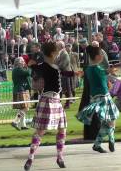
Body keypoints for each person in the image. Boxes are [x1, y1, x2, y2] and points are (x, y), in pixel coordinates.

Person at [24, 42, 67, 170]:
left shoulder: (41, 66)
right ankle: (59, 156)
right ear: (53, 53)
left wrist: (32, 65)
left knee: (41, 131)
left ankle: (31, 157)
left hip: (47, 99)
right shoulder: (53, 67)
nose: (59, 53)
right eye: (57, 51)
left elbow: (33, 69)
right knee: (60, 129)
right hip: (52, 100)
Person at [77, 46, 119, 153]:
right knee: (111, 121)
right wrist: (110, 71)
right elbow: (105, 73)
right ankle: (111, 139)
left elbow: (102, 79)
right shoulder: (97, 69)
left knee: (107, 122)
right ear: (97, 57)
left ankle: (98, 144)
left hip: (96, 98)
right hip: (103, 98)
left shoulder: (88, 69)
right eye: (101, 54)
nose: (102, 56)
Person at [11, 57, 31, 131]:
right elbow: (28, 73)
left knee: (22, 108)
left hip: (20, 89)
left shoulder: (17, 70)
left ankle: (22, 125)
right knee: (25, 108)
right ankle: (15, 121)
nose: (23, 62)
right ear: (18, 63)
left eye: (23, 61)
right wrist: (28, 67)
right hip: (20, 90)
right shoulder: (17, 70)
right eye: (22, 61)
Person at [56, 41, 74, 109]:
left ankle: (68, 103)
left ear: (61, 46)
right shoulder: (59, 53)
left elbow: (64, 64)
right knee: (61, 88)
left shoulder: (65, 53)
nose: (56, 46)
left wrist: (56, 67)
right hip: (61, 73)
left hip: (66, 73)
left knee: (67, 89)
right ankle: (59, 103)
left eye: (57, 45)